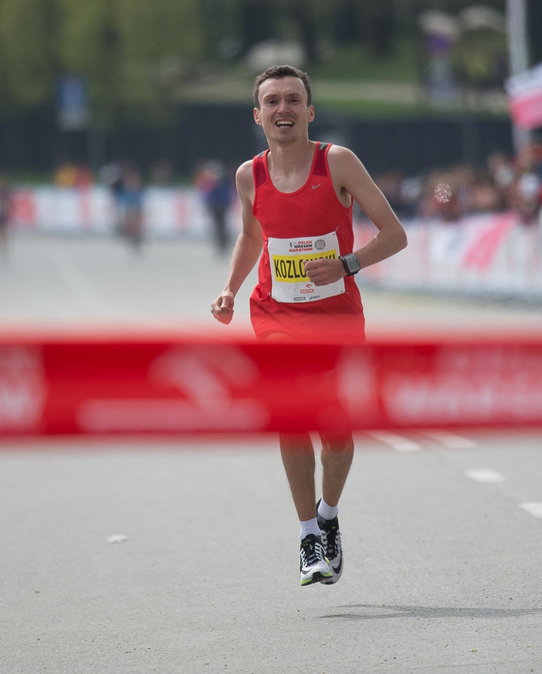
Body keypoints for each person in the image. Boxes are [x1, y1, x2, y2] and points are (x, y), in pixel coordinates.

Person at [209, 65, 407, 586]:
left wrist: (347, 264)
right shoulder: (248, 174)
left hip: (337, 318)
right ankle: (306, 537)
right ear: (257, 115)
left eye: (293, 99)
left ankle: (328, 514)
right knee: (292, 415)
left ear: (309, 111)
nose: (283, 109)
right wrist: (231, 287)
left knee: (337, 434)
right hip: (274, 314)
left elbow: (394, 234)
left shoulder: (336, 162)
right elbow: (252, 237)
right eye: (272, 101)